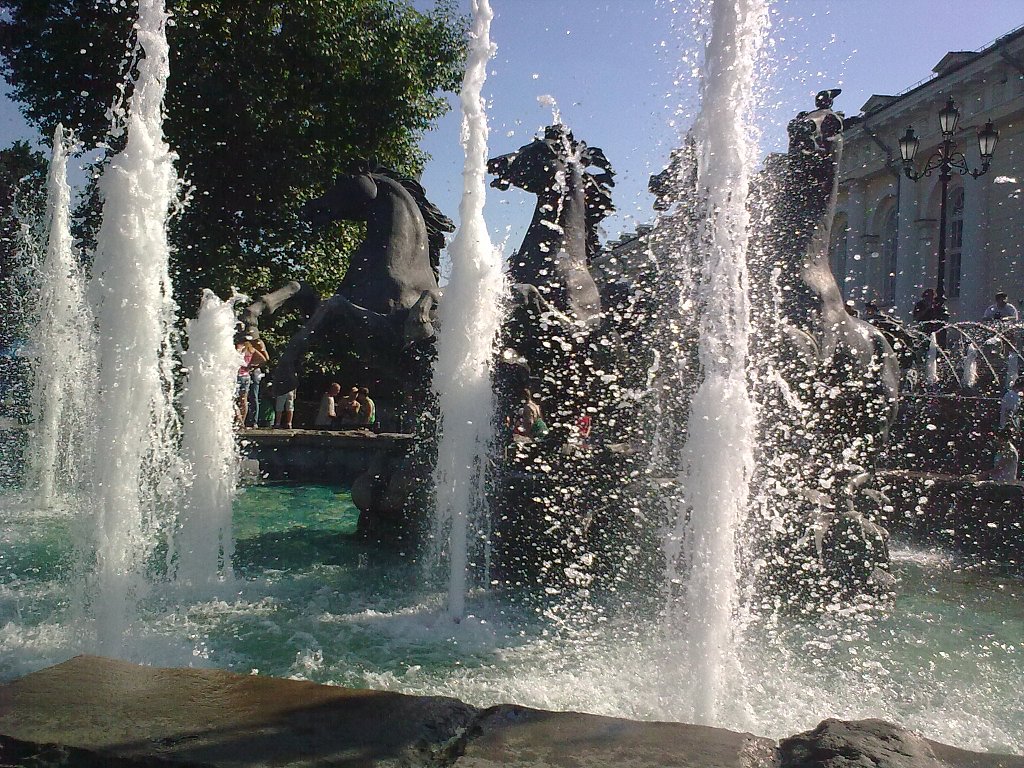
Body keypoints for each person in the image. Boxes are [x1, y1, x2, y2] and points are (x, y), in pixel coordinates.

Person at [235, 336, 268, 428]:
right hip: (246, 376)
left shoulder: (237, 348)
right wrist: (250, 365)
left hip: (237, 376)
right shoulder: (250, 349)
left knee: (233, 400)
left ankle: (239, 419)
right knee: (243, 400)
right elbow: (263, 359)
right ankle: (242, 422)